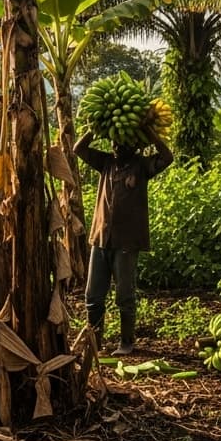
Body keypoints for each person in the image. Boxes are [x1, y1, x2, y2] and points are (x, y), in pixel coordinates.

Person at [72, 130, 174, 356]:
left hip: (126, 242)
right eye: (115, 143)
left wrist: (152, 135)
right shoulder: (106, 163)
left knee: (124, 296)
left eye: (123, 145)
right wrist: (93, 130)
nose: (117, 147)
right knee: (93, 296)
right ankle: (94, 342)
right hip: (101, 238)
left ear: (135, 148)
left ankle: (127, 342)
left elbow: (168, 157)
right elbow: (78, 149)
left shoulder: (142, 166)